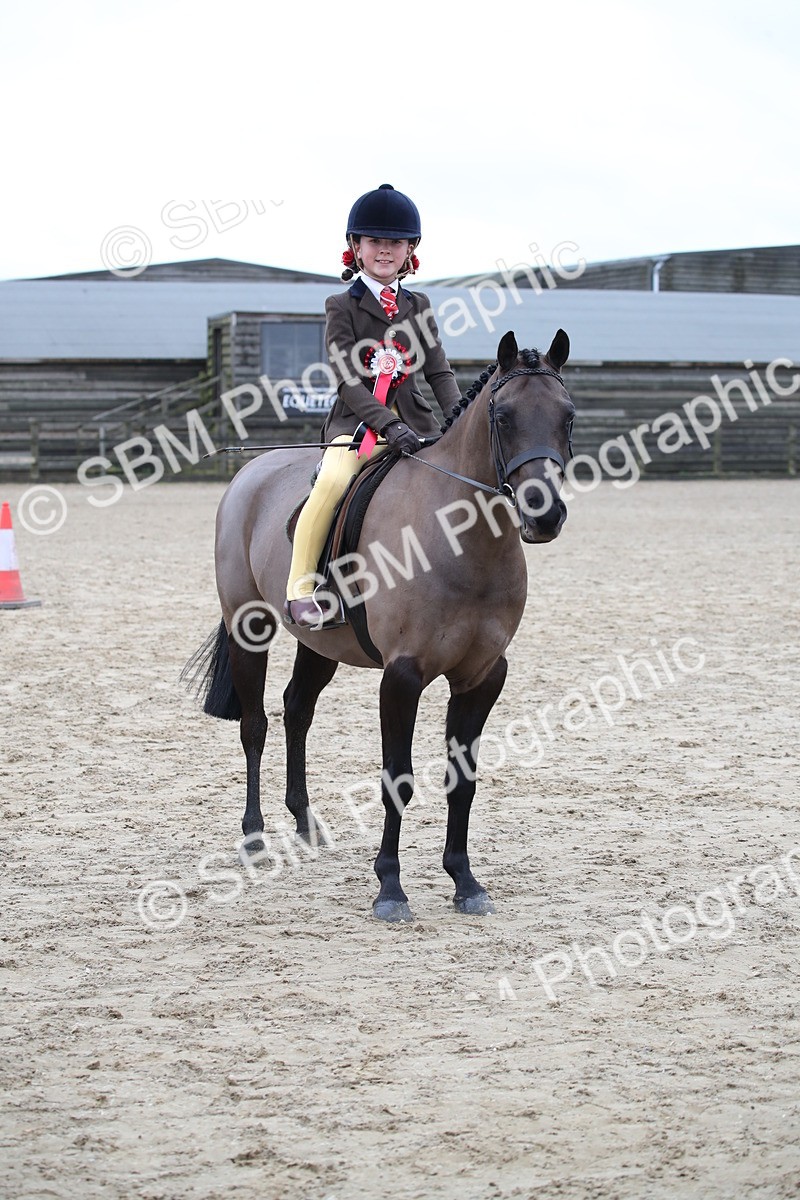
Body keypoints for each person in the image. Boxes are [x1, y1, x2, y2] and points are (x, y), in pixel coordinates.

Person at [284, 183, 463, 628]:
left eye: (395, 243)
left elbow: (439, 373)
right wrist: (387, 425)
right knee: (330, 485)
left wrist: (458, 420)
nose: (385, 250)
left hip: (417, 427)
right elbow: (347, 379)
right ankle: (303, 588)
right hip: (356, 429)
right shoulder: (341, 305)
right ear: (356, 248)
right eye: (375, 242)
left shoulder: (418, 305)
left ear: (409, 251)